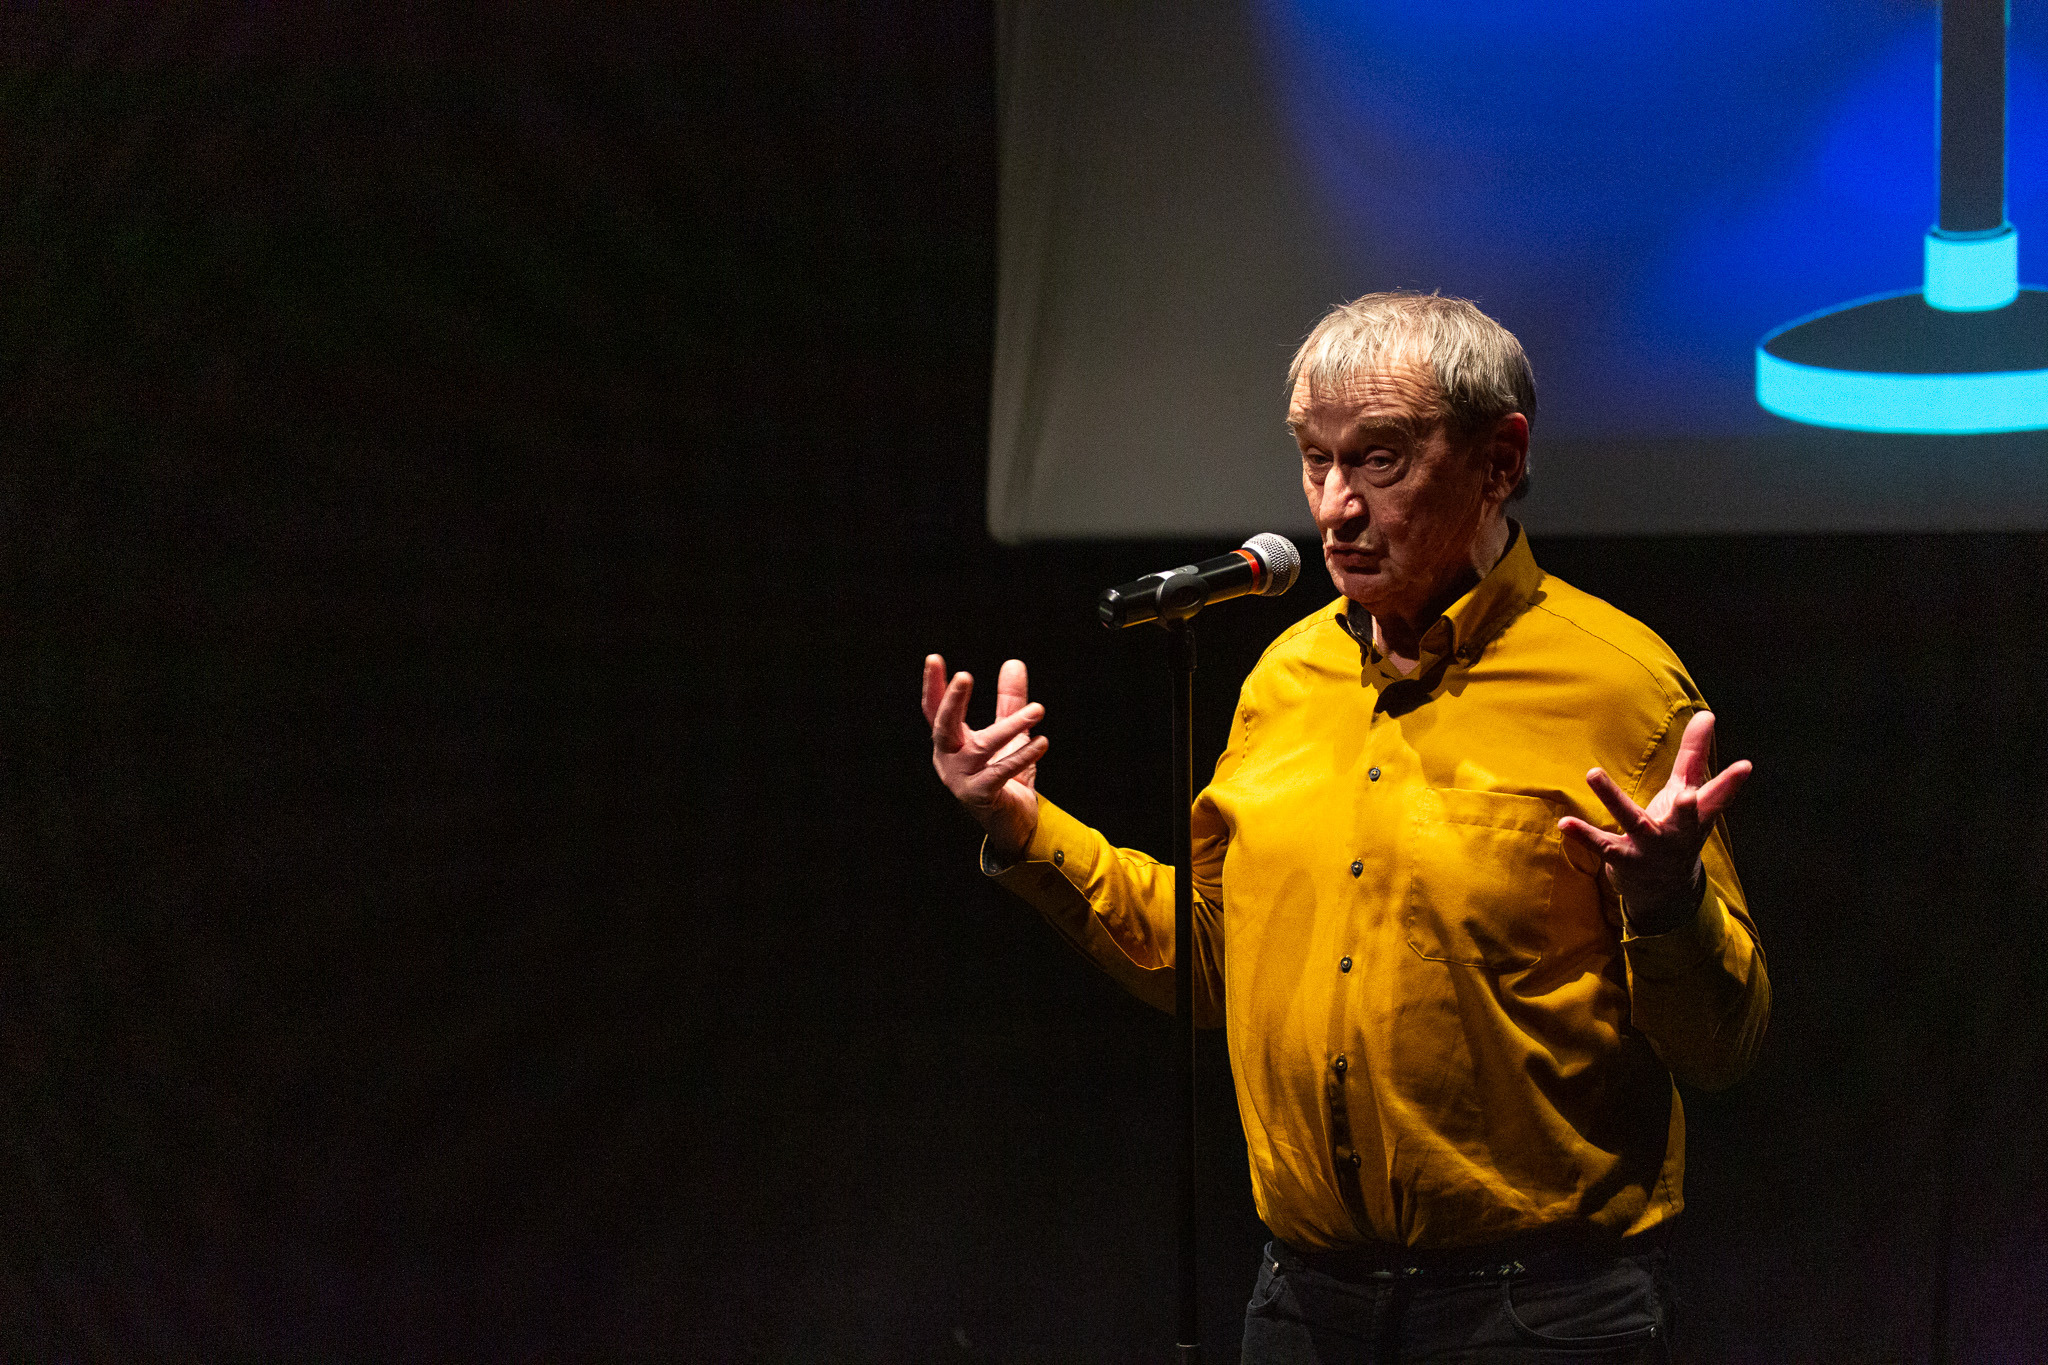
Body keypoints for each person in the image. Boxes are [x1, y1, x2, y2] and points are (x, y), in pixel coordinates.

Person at [921, 291, 1768, 1362]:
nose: (1333, 507)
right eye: (1314, 461)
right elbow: (1216, 961)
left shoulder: (1621, 690)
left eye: (1378, 460)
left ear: (1499, 460)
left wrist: (1665, 901)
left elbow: (1724, 1043)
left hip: (1542, 1315)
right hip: (1304, 1307)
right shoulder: (1283, 681)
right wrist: (1025, 827)